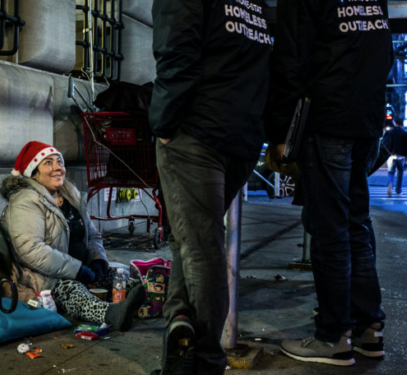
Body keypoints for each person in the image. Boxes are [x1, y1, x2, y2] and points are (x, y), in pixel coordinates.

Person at [265, 0, 393, 366]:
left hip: (327, 120)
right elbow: (381, 54)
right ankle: (369, 329)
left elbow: (290, 58)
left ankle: (333, 336)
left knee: (330, 230)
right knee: (355, 224)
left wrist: (278, 132)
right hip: (365, 121)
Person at [148, 1, 272, 374]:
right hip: (242, 135)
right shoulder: (256, 5)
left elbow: (176, 50)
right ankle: (181, 329)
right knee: (189, 236)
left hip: (198, 131)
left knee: (200, 247)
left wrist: (164, 124)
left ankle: (203, 362)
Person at [0, 141, 145, 331]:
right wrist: (78, 271)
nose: (57, 168)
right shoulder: (25, 201)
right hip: (45, 278)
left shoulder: (70, 195)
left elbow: (92, 234)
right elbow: (31, 249)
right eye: (48, 163)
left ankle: (148, 302)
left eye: (59, 162)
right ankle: (112, 314)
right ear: (33, 172)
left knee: (123, 274)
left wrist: (97, 262)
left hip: (82, 270)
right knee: (73, 291)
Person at [383, 118, 407, 196]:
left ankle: (390, 183)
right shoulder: (404, 133)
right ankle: (398, 190)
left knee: (390, 171)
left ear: (395, 123)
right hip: (401, 156)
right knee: (400, 172)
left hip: (391, 155)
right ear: (402, 124)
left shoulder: (390, 132)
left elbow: (385, 142)